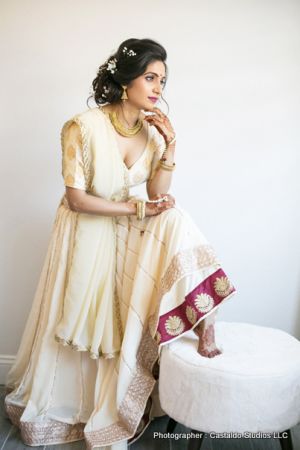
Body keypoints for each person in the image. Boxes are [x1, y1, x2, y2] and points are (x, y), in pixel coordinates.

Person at [4, 38, 236, 449]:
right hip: (87, 229)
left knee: (175, 216)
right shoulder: (82, 126)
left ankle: (204, 315)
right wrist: (139, 210)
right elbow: (77, 199)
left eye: (162, 80)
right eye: (150, 77)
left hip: (127, 226)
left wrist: (171, 147)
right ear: (125, 79)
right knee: (157, 222)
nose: (158, 88)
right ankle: (81, 399)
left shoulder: (149, 129)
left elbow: (155, 188)